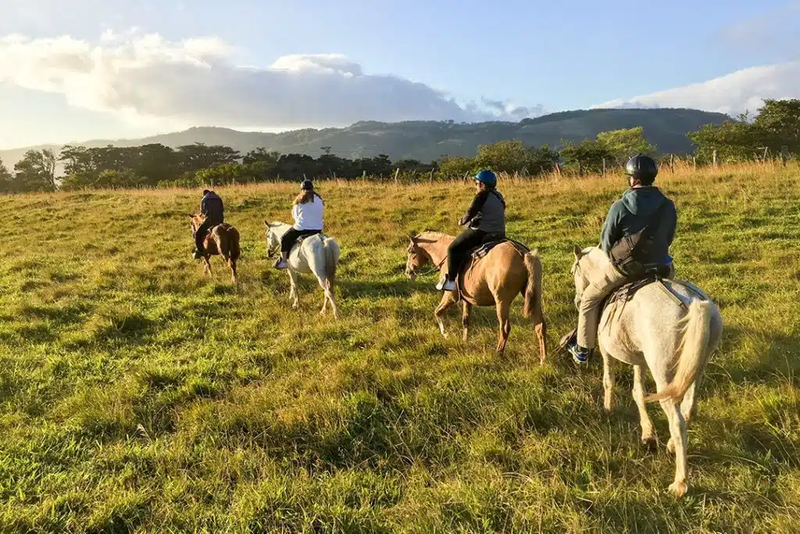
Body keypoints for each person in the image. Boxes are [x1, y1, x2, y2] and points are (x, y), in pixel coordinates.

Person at [567, 153, 677, 365]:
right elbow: (669, 237)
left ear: (633, 179)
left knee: (589, 299)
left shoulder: (620, 205)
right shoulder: (668, 205)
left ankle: (582, 350)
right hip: (663, 267)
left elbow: (607, 244)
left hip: (627, 269)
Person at [436, 169, 506, 291]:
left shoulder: (481, 196)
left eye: (476, 183)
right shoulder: (499, 196)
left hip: (483, 232)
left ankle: (451, 282)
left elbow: (470, 212)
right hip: (499, 233)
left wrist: (462, 221)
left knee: (453, 248)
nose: (476, 186)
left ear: (482, 184)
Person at [274, 179, 324, 269]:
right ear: (312, 189)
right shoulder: (319, 199)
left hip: (302, 229)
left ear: (302, 190)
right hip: (318, 229)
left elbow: (295, 216)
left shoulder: (299, 201)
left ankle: (284, 261)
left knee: (284, 238)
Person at [193, 189, 224, 259]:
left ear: (204, 194)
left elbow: (203, 212)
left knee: (198, 233)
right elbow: (222, 209)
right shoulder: (218, 198)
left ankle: (199, 251)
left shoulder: (204, 199)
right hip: (220, 220)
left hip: (209, 220)